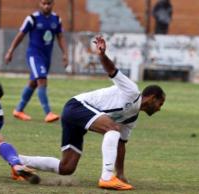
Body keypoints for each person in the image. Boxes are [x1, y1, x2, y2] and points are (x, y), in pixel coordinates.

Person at [16, 36, 166, 190]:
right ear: (152, 98)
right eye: (160, 103)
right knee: (113, 129)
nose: (160, 108)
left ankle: (18, 162)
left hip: (77, 120)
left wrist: (120, 173)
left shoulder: (132, 118)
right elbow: (112, 70)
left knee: (67, 167)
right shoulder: (132, 91)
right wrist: (102, 55)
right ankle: (106, 178)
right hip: (76, 106)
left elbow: (121, 145)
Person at [5, 0, 68, 123]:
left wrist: (65, 54)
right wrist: (10, 51)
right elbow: (20, 35)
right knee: (42, 80)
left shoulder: (56, 19)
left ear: (53, 4)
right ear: (39, 4)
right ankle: (48, 113)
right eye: (44, 3)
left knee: (33, 83)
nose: (46, 6)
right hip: (34, 55)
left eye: (48, 3)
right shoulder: (32, 18)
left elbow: (60, 36)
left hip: (46, 57)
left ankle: (18, 110)